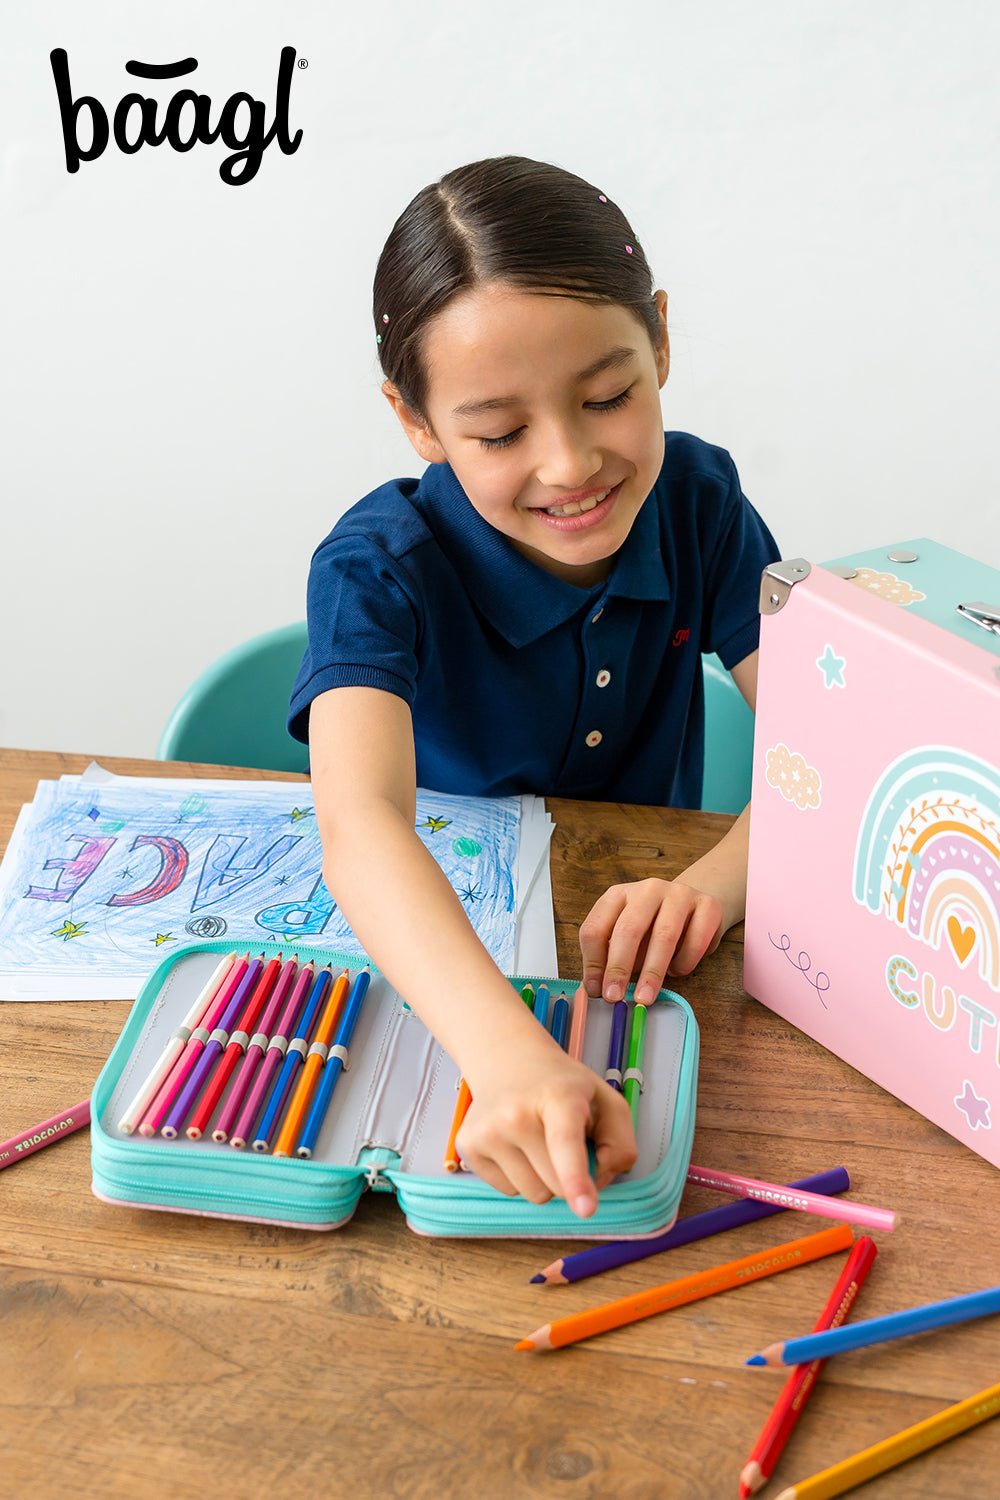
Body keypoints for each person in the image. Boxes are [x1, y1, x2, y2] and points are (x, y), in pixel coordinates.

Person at [288, 155, 779, 1219]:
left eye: (608, 397)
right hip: (440, 982)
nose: (568, 464)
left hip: (644, 977)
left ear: (659, 339)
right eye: (500, 434)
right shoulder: (376, 568)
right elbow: (359, 825)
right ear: (415, 422)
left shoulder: (697, 499)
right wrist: (506, 1056)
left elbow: (833, 750)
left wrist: (713, 883)